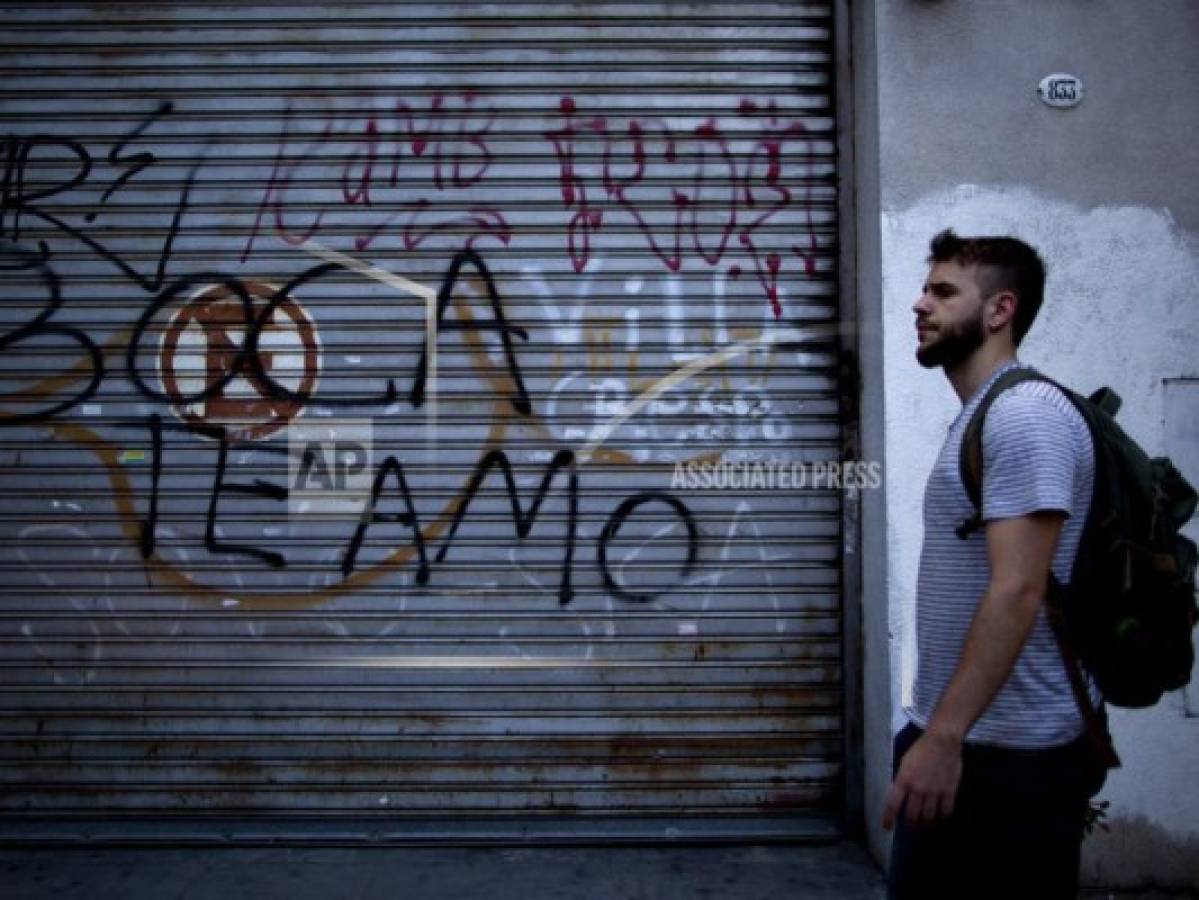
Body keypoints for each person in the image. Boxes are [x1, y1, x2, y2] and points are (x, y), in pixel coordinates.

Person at [883, 229, 1107, 898]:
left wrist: (942, 740)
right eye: (924, 288)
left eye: (943, 291)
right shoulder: (985, 414)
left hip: (1005, 759)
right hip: (975, 742)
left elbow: (1017, 589)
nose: (919, 304)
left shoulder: (1024, 415)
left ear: (999, 310)